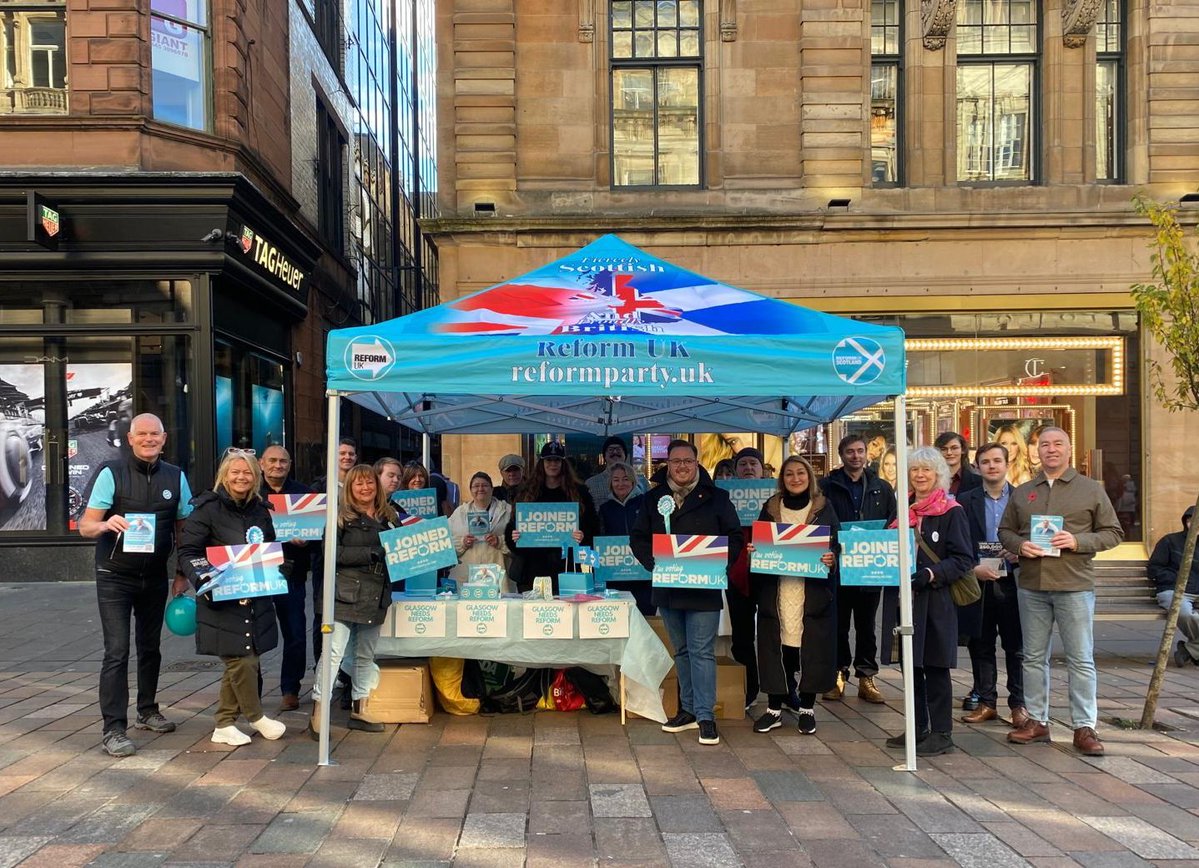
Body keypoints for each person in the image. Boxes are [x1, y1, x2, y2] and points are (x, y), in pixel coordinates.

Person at [999, 426, 1123, 756]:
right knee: (1033, 657)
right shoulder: (1024, 491)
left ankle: (1085, 727)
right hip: (1031, 586)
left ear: (1069, 450)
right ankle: (1037, 721)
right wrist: (1021, 545)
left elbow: (1113, 533)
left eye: (1058, 444)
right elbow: (1005, 531)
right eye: (1045, 445)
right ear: (1035, 451)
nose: (1051, 450)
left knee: (1080, 659)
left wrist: (1078, 541)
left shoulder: (1090, 490)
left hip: (1074, 586)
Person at [79, 413, 193, 758]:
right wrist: (105, 524)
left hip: (155, 576)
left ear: (163, 439)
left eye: (154, 434)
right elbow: (86, 526)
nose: (148, 439)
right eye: (141, 434)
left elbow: (183, 528)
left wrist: (181, 573)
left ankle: (147, 710)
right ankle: (113, 729)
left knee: (150, 647)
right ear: (130, 439)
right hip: (114, 576)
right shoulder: (111, 474)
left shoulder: (176, 476)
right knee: (117, 651)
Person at [630, 440, 743, 747]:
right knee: (680, 651)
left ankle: (706, 716)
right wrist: (653, 564)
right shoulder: (652, 498)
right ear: (668, 464)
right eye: (676, 461)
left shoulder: (718, 498)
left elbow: (734, 536)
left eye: (688, 461)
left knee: (702, 651)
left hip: (703, 586)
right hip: (668, 588)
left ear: (697, 463)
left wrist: (721, 562)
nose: (682, 466)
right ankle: (688, 710)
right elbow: (638, 538)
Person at [179, 449, 286, 746]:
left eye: (247, 472)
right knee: (243, 660)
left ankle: (224, 723)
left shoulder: (260, 510)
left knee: (244, 657)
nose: (241, 477)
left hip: (255, 595)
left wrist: (278, 567)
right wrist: (205, 578)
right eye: (235, 472)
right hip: (221, 597)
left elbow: (269, 546)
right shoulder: (206, 509)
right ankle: (256, 716)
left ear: (256, 477)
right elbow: (189, 551)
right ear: (224, 475)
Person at [881, 446, 974, 757]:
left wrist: (932, 573)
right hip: (904, 600)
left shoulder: (951, 510)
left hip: (935, 601)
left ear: (939, 475)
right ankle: (918, 727)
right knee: (910, 666)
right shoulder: (902, 508)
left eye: (926, 470)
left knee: (934, 668)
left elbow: (963, 559)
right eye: (914, 470)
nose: (920, 475)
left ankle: (941, 732)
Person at [747, 456, 839, 735]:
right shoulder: (772, 507)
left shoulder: (823, 507)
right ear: (782, 479)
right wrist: (755, 552)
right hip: (778, 590)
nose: (795, 478)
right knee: (777, 647)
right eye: (789, 474)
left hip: (811, 591)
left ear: (809, 477)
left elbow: (837, 543)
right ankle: (775, 707)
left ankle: (807, 707)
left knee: (810, 649)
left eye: (801, 473)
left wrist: (832, 556)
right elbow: (761, 544)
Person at [310, 464, 399, 738]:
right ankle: (318, 714)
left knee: (365, 655)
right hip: (345, 595)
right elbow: (332, 554)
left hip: (376, 594)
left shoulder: (390, 516)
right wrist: (373, 552)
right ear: (349, 487)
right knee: (334, 653)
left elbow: (401, 549)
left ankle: (360, 709)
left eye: (370, 483)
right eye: (358, 484)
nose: (365, 488)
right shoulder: (340, 517)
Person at [820, 434, 897, 704]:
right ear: (841, 455)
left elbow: (892, 523)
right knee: (839, 624)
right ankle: (838, 674)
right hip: (838, 568)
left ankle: (866, 676)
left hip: (868, 567)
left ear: (867, 455)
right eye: (850, 451)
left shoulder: (881, 488)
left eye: (860, 451)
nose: (856, 456)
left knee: (867, 626)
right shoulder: (827, 486)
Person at [956, 442, 1028, 728]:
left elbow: (1033, 533)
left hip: (1014, 578)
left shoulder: (1023, 498)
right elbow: (959, 539)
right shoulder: (966, 499)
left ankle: (1018, 704)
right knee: (981, 643)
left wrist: (1020, 549)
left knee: (1016, 646)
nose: (992, 466)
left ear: (1007, 464)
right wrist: (973, 567)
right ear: (977, 467)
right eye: (985, 462)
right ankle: (987, 702)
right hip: (979, 579)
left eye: (997, 461)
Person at [504, 441, 600, 593]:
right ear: (542, 463)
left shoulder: (580, 492)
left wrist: (584, 535)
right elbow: (512, 526)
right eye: (548, 460)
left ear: (563, 463)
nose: (553, 464)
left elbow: (594, 526)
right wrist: (514, 536)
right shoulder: (526, 491)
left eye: (557, 460)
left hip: (569, 567)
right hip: (533, 568)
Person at [259, 444, 313, 712]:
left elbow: (318, 535)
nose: (277, 465)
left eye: (283, 461)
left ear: (290, 465)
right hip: (257, 572)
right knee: (253, 632)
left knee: (295, 632)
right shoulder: (251, 493)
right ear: (261, 463)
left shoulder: (303, 494)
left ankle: (291, 688)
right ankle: (252, 689)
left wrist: (307, 541)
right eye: (272, 460)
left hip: (292, 572)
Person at [725, 446, 769, 710]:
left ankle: (782, 690)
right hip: (736, 575)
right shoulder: (726, 498)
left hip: (769, 575)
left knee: (773, 636)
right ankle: (749, 689)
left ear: (762, 469)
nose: (748, 468)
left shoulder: (775, 498)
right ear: (735, 470)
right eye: (743, 464)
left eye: (753, 463)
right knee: (741, 638)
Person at [598, 460, 652, 615]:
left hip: (643, 575)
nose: (620, 483)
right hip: (615, 575)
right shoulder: (605, 509)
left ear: (633, 481)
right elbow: (601, 539)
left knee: (644, 618)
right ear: (610, 483)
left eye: (625, 479)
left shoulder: (645, 503)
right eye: (616, 480)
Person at [1147, 506, 1199, 667]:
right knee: (1183, 612)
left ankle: (1190, 649)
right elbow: (1154, 568)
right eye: (1191, 521)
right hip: (1173, 590)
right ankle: (1192, 650)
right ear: (1186, 522)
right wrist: (1177, 580)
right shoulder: (1170, 541)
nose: (1193, 525)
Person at [448, 471, 512, 585]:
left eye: (485, 485)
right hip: (466, 575)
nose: (480, 489)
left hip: (498, 573)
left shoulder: (507, 511)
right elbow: (446, 543)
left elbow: (519, 540)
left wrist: (499, 541)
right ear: (471, 490)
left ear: (492, 489)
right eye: (476, 486)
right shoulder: (460, 513)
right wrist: (462, 542)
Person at [586, 435, 647, 510]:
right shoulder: (591, 483)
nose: (615, 452)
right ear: (604, 456)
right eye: (610, 450)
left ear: (625, 455)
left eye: (618, 449)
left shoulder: (641, 482)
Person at [935, 431, 981, 496]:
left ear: (963, 450)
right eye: (944, 449)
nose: (949, 453)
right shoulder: (931, 479)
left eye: (954, 448)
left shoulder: (978, 481)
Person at [994, 423, 1033, 487]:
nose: (1009, 449)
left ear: (1019, 447)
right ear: (996, 445)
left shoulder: (1024, 477)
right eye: (1004, 443)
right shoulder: (987, 471)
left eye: (1014, 444)